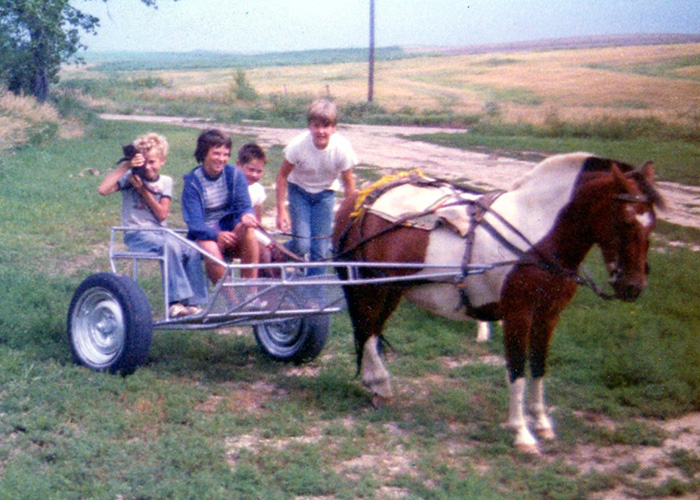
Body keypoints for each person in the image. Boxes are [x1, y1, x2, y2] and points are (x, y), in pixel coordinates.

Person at [98, 132, 207, 318]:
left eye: (152, 162)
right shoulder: (130, 178)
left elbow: (162, 214)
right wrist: (127, 165)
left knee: (192, 249)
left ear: (162, 161)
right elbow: (103, 189)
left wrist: (143, 190)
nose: (148, 167)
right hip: (136, 233)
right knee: (170, 246)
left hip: (160, 232)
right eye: (143, 162)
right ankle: (175, 303)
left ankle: (194, 304)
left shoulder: (166, 182)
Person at [275, 99, 357, 276]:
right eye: (316, 126)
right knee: (302, 244)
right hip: (299, 191)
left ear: (334, 128)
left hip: (325, 194)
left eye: (326, 126)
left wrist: (352, 214)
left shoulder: (342, 149)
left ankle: (313, 290)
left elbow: (348, 182)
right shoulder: (298, 146)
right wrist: (281, 210)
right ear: (309, 126)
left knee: (320, 249)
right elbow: (281, 176)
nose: (321, 131)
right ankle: (276, 253)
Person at [181, 129, 261, 291]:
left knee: (249, 230)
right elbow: (195, 224)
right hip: (205, 234)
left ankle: (251, 294)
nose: (222, 159)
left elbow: (244, 206)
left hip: (230, 229)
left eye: (226, 154)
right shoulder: (192, 182)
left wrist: (247, 214)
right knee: (211, 248)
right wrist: (216, 235)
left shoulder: (234, 174)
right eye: (216, 153)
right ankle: (232, 300)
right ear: (204, 153)